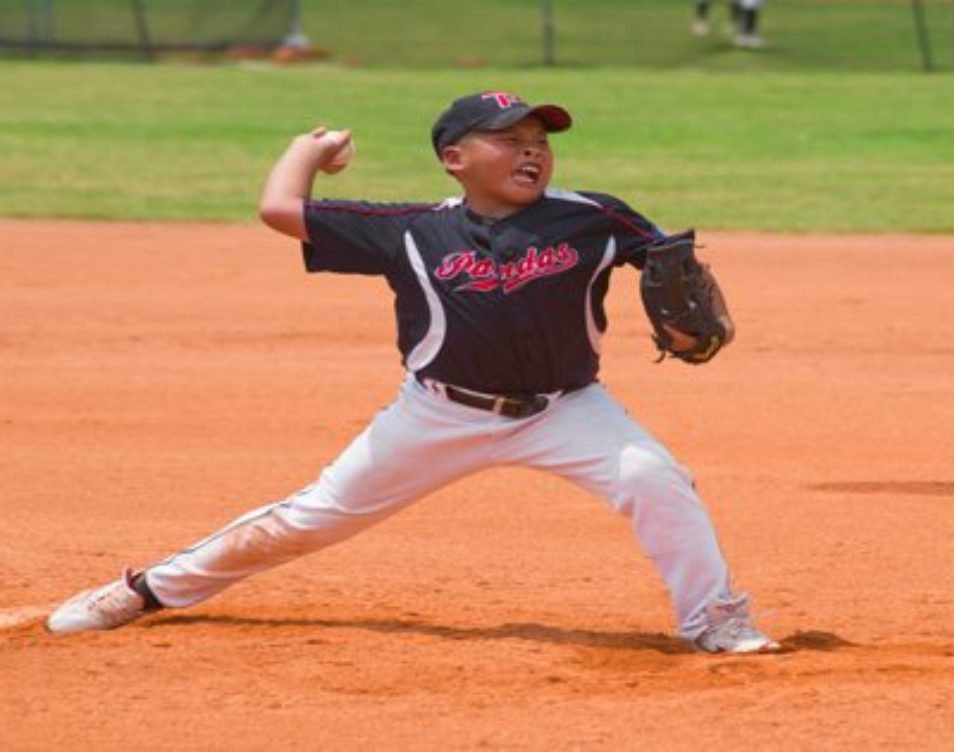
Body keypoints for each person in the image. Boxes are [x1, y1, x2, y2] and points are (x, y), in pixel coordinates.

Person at [44, 90, 781, 655]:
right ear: (455, 159)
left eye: (540, 142)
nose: (532, 153)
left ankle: (715, 622)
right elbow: (279, 208)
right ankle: (144, 591)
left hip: (569, 408)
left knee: (655, 478)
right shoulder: (411, 230)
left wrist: (692, 324)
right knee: (305, 521)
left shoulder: (593, 217)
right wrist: (311, 149)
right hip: (438, 415)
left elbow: (671, 273)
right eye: (509, 140)